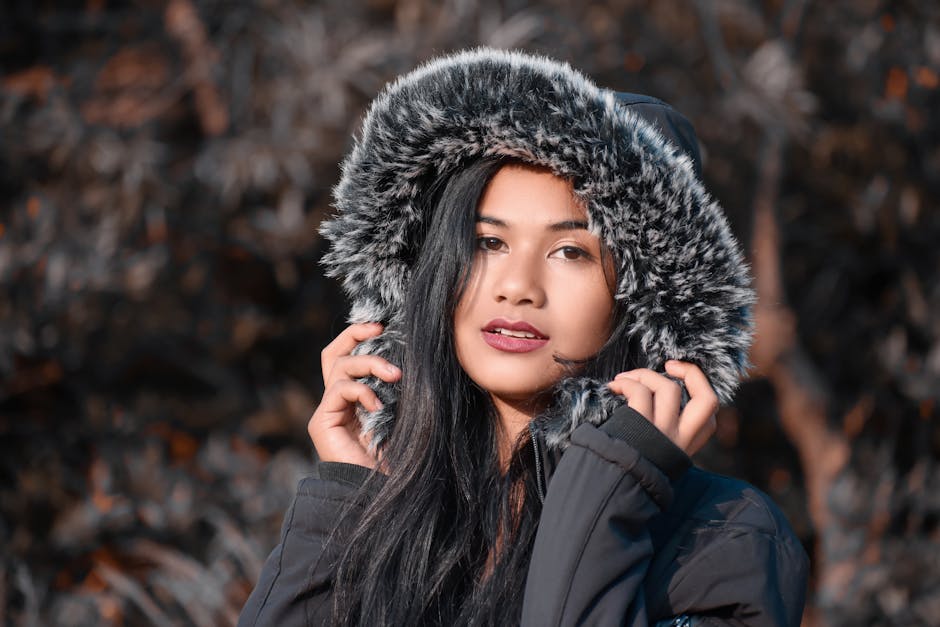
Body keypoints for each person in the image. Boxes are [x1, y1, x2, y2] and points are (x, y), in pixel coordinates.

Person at [238, 48, 809, 626]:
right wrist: (347, 496)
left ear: (646, 298)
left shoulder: (722, 539)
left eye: (570, 251)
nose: (517, 287)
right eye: (489, 242)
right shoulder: (391, 517)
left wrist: (609, 491)